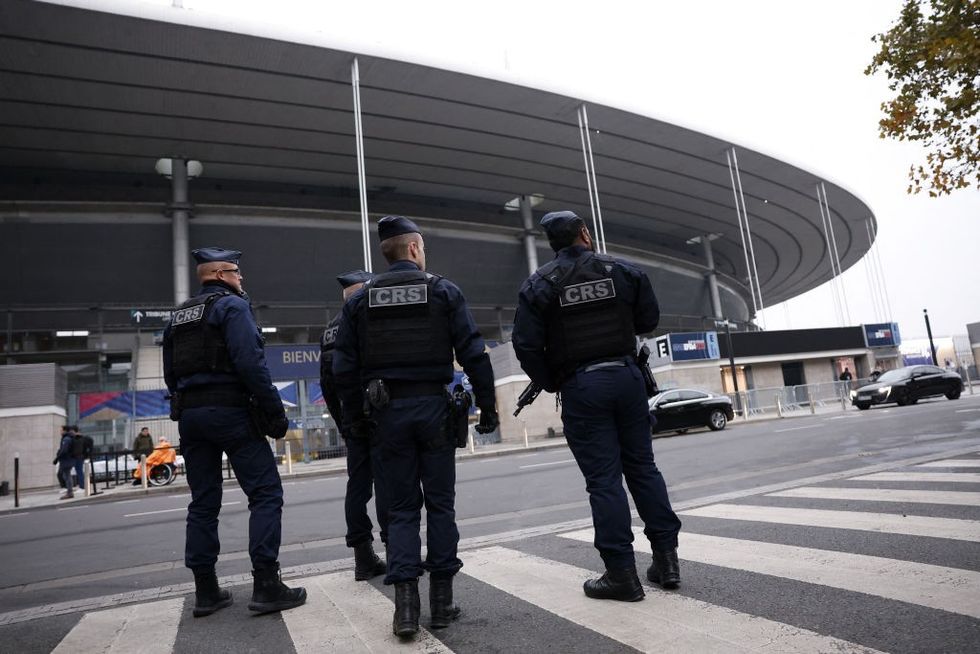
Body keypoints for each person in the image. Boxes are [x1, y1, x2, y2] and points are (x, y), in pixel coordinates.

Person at [333, 216, 499, 638]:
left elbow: (344, 370)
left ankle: (405, 608)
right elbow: (474, 354)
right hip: (435, 410)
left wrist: (356, 421)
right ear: (413, 248)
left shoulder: (359, 302)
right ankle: (442, 603)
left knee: (401, 510)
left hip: (386, 415)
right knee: (440, 505)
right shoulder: (443, 290)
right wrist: (488, 409)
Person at [511, 210, 682, 602]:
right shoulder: (622, 270)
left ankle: (622, 574)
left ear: (552, 245)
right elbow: (649, 321)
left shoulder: (540, 284)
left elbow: (525, 346)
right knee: (642, 468)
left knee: (604, 481)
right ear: (584, 234)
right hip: (627, 378)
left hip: (582, 386)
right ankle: (666, 561)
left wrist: (554, 379)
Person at [163, 246, 305, 618]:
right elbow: (250, 363)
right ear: (223, 274)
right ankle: (266, 585)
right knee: (265, 493)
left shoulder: (178, 316)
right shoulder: (233, 307)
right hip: (230, 411)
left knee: (203, 502)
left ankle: (206, 591)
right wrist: (274, 412)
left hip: (191, 416)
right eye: (238, 274)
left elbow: (170, 373)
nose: (242, 280)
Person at [320, 269, 389, 581]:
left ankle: (363, 557)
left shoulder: (329, 332)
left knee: (358, 487)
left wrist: (344, 420)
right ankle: (397, 549)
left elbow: (327, 385)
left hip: (352, 419)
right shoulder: (369, 318)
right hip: (380, 415)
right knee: (389, 482)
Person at [53, 425, 76, 499]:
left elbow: (64, 450)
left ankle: (70, 492)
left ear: (65, 431)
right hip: (68, 459)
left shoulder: (66, 439)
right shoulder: (68, 438)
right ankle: (69, 491)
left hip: (66, 460)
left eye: (61, 430)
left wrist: (58, 457)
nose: (60, 431)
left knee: (66, 476)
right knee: (66, 475)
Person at [72, 427, 94, 491]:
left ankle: (82, 486)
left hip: (79, 456)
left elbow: (80, 449)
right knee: (80, 471)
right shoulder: (84, 438)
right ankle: (83, 486)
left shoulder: (79, 439)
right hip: (83, 456)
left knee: (79, 471)